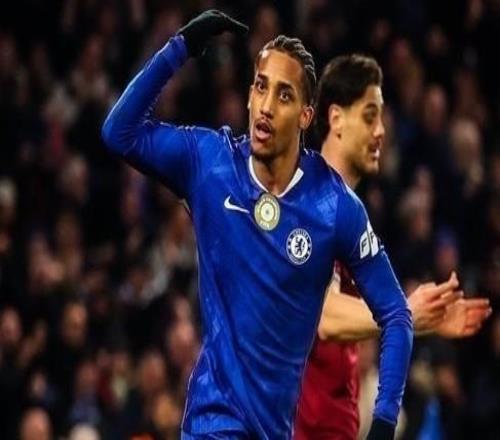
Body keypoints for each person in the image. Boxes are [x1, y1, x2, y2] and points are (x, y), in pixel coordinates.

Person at [102, 10, 412, 439]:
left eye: (284, 95)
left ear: (306, 116)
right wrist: (180, 48)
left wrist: (384, 422)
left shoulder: (335, 206)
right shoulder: (210, 163)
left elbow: (396, 315)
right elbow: (119, 132)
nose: (266, 106)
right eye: (261, 87)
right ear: (249, 95)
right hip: (212, 423)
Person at [294, 54, 492, 439]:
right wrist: (406, 315)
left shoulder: (349, 215)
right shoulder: (311, 203)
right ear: (336, 118)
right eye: (370, 116)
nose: (381, 131)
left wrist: (421, 319)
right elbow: (324, 317)